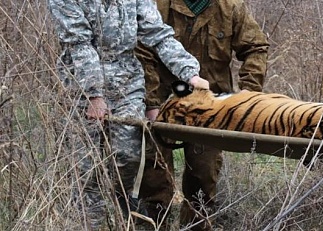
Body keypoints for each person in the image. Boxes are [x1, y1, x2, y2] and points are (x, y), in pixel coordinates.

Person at [48, 0, 209, 229]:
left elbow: (158, 35)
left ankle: (121, 209)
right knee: (87, 167)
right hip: (81, 85)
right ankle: (89, 221)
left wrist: (190, 73)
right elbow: (78, 43)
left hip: (126, 83)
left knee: (127, 156)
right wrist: (93, 94)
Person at [135, 0, 269, 230]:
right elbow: (143, 50)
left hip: (210, 106)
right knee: (154, 178)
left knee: (203, 182)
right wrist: (151, 103)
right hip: (163, 101)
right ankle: (155, 225)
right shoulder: (158, 4)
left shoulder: (231, 7)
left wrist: (247, 96)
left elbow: (255, 47)